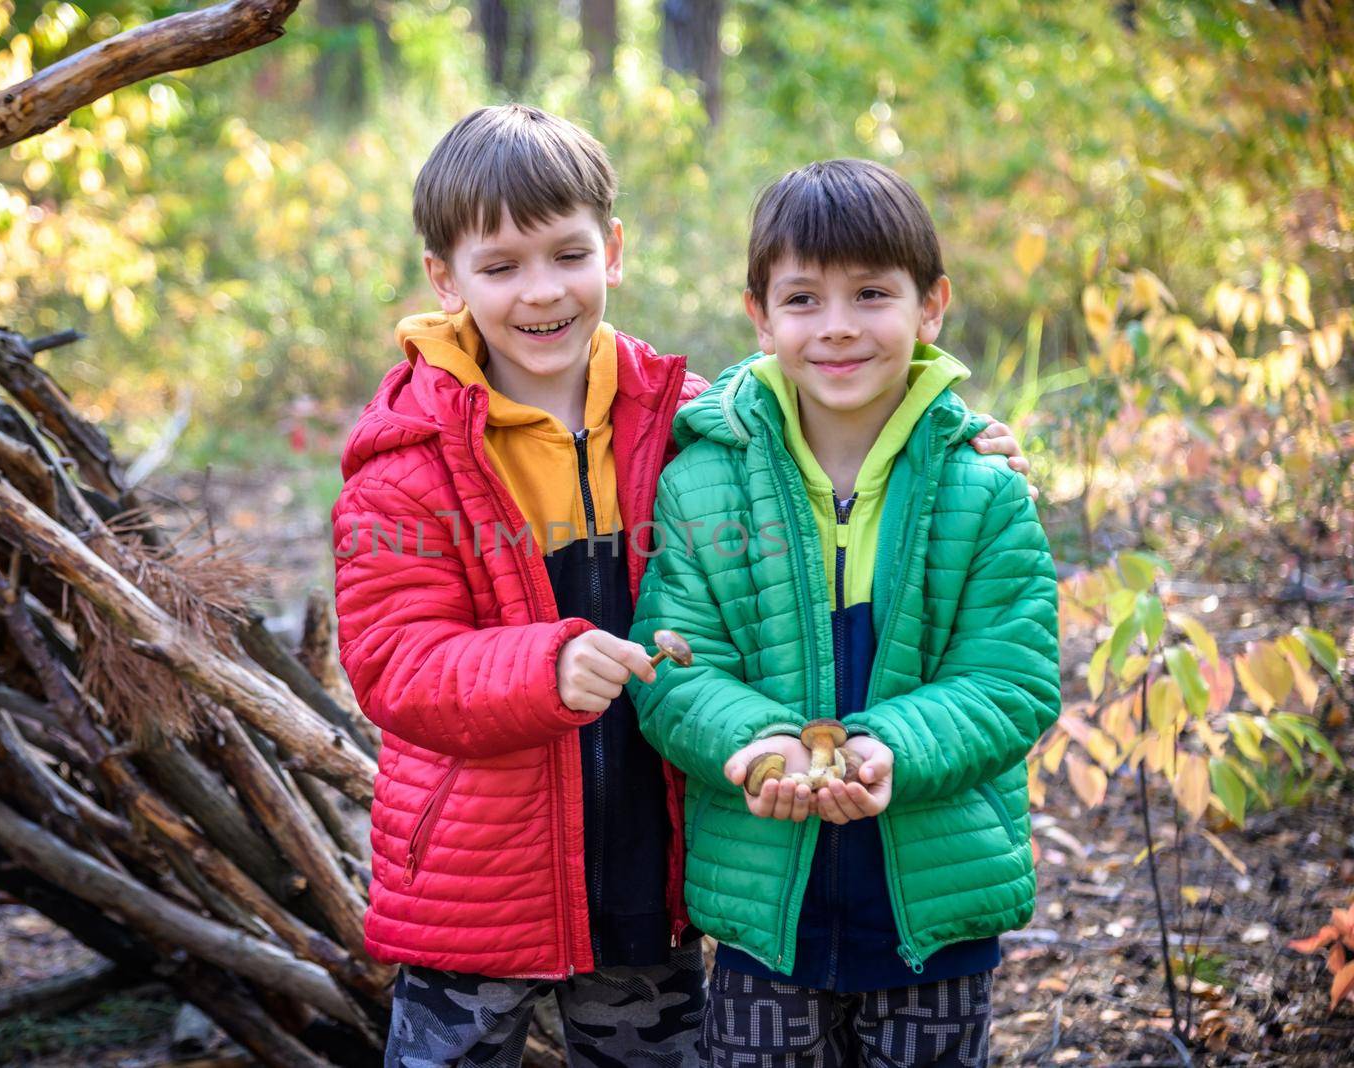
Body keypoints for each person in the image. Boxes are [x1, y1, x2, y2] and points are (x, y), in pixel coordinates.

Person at [332, 109, 1033, 1066]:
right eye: (500, 267)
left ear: (612, 252)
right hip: (478, 873)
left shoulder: (683, 422)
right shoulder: (410, 458)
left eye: (568, 255)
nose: (541, 291)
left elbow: (819, 397)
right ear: (444, 279)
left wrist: (954, 437)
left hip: (644, 868)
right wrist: (542, 665)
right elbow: (392, 659)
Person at [628, 158, 1061, 1068]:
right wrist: (758, 743)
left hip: (934, 912)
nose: (837, 328)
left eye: (871, 294)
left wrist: (888, 746)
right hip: (760, 911)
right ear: (759, 314)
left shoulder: (982, 492)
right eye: (802, 299)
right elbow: (676, 664)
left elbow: (1011, 680)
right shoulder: (704, 481)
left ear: (930, 305)